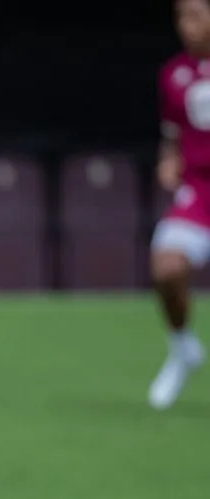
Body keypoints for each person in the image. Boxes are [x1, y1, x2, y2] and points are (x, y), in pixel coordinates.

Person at [148, 0, 210, 409]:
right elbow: (172, 139)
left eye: (196, 15)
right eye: (181, 17)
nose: (187, 26)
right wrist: (168, 163)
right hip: (200, 194)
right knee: (166, 267)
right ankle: (183, 347)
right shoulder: (175, 75)